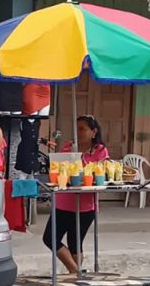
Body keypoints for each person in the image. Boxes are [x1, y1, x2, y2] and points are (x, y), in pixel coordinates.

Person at [42, 115, 110, 275]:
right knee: (50, 238)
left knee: (75, 243)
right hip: (63, 202)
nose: (78, 132)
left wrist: (81, 161)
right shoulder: (68, 146)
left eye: (82, 129)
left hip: (85, 205)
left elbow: (101, 174)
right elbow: (58, 166)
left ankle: (74, 276)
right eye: (76, 129)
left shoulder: (100, 150)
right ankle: (76, 271)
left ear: (93, 132)